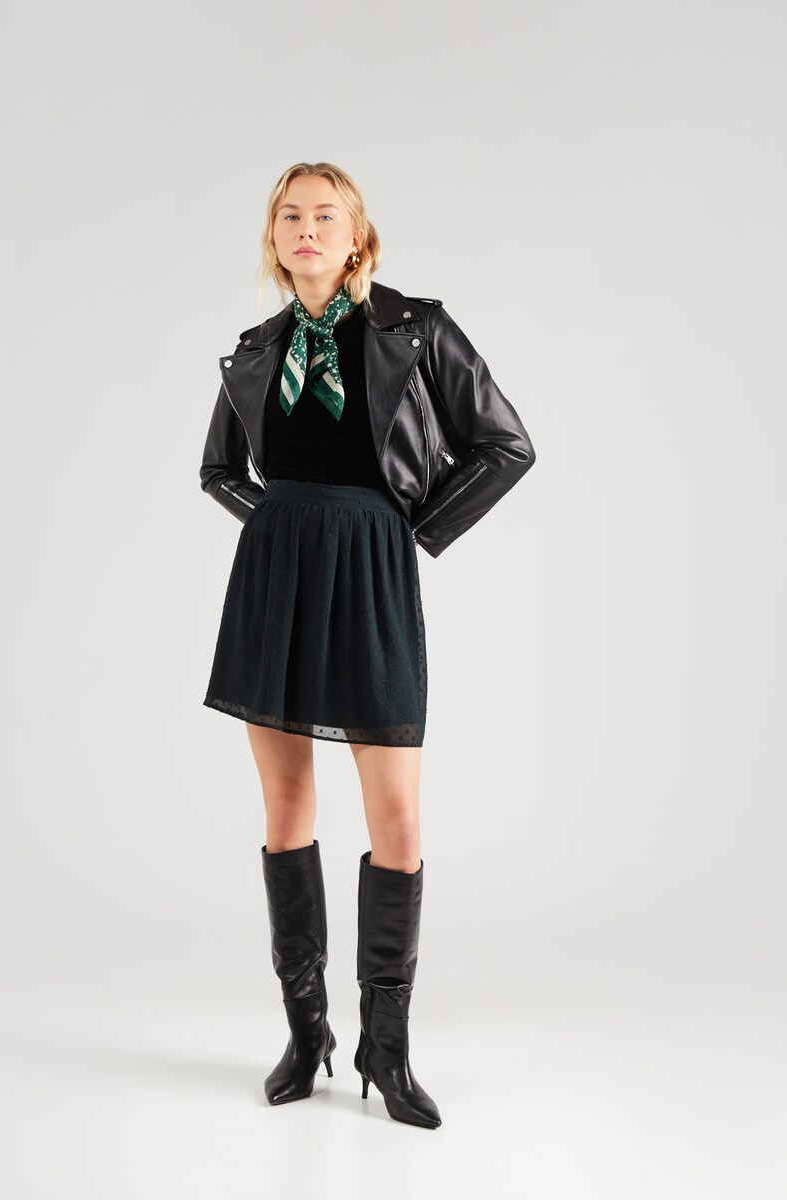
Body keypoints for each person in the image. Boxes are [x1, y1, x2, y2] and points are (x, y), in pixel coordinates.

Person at [199, 162, 536, 1129]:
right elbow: (220, 469)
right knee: (286, 805)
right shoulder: (256, 350)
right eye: (290, 216)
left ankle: (386, 1051)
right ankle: (307, 1035)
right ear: (274, 240)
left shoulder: (415, 328)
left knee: (397, 816)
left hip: (373, 572)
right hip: (276, 581)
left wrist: (405, 532)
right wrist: (281, 530)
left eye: (326, 215)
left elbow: (504, 444)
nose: (307, 229)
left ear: (357, 238)